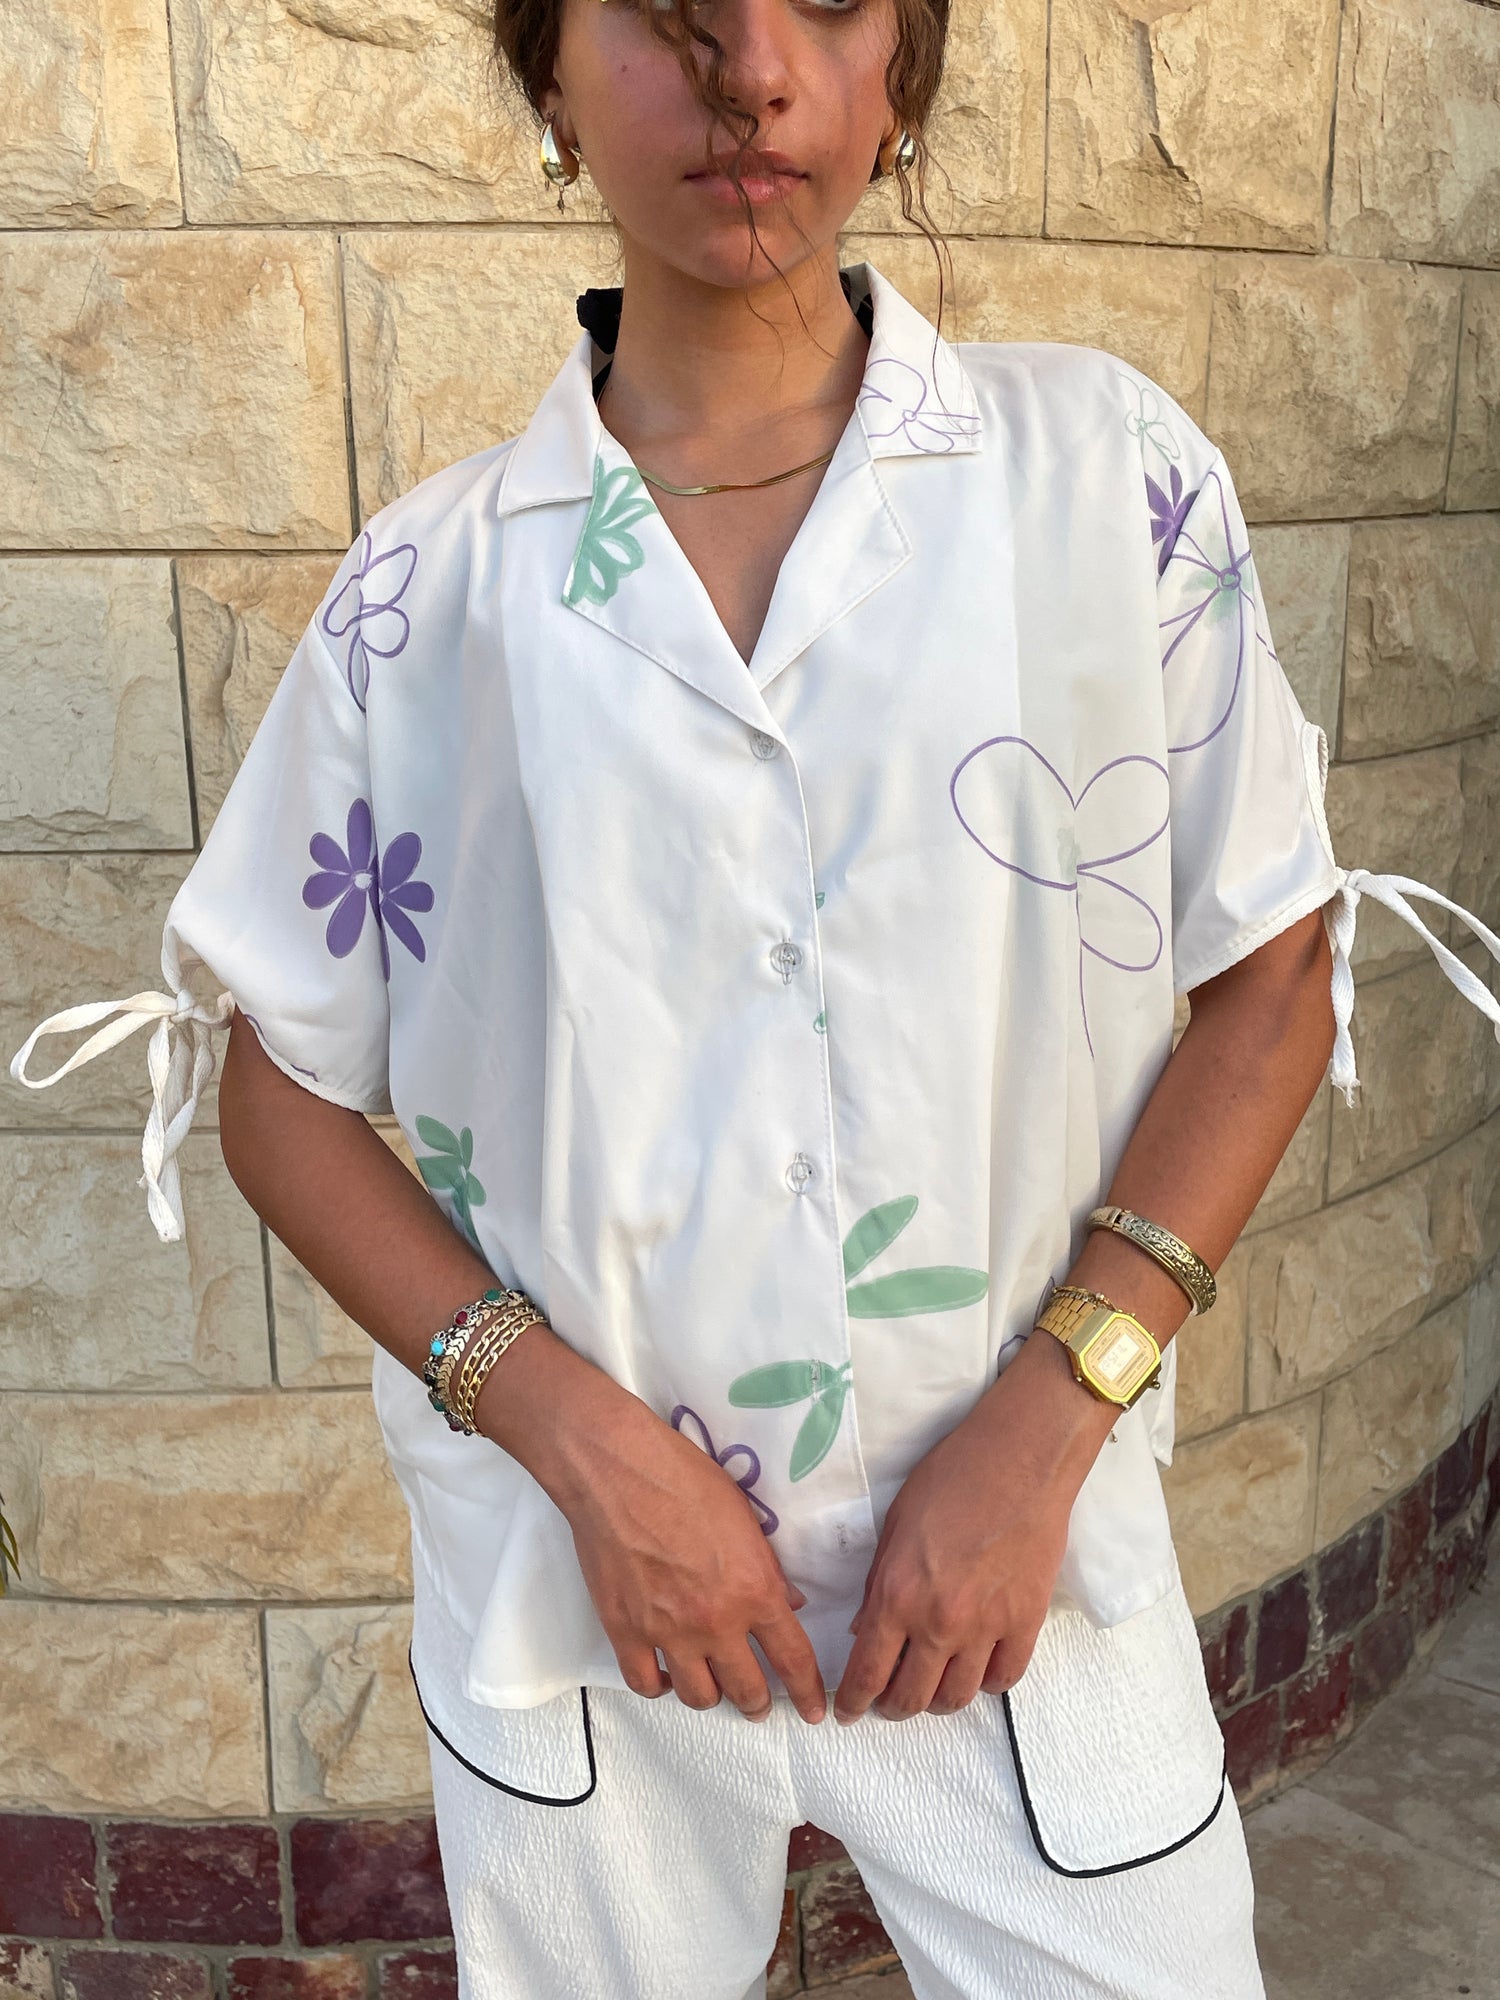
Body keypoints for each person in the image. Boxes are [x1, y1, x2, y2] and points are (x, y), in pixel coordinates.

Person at [12, 0, 1500, 1993]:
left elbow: (1273, 970)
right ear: (548, 72)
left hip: (1020, 1578)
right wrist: (581, 1447)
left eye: (829, 1)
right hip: (586, 1610)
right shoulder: (428, 594)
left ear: (909, 68)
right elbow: (277, 1084)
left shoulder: (1098, 476)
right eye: (665, 6)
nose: (751, 67)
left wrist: (1056, 1411)